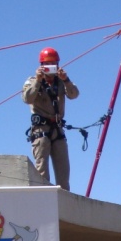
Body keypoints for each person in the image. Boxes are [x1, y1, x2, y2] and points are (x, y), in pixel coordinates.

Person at [22, 47, 79, 190]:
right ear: (41, 65)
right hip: (41, 130)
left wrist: (66, 80)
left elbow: (74, 94)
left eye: (53, 64)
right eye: (47, 64)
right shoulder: (32, 81)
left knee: (63, 174)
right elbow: (27, 98)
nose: (50, 67)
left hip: (57, 130)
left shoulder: (61, 82)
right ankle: (43, 199)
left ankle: (64, 200)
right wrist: (38, 81)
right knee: (42, 172)